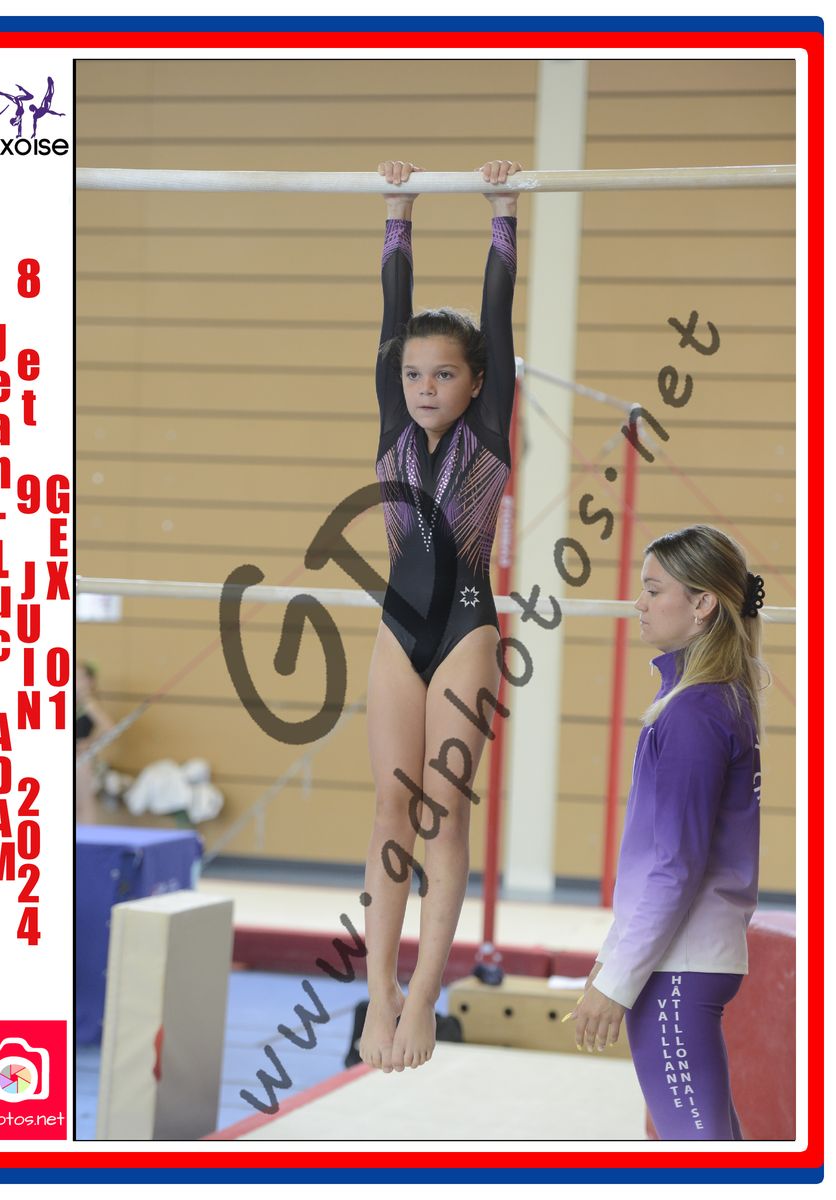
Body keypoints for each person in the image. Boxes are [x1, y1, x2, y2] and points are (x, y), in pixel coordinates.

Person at [360, 158, 521, 1073]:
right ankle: (379, 989)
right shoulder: (392, 414)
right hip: (396, 629)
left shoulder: (491, 427)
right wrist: (397, 211)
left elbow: (497, 313)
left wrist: (502, 212)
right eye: (414, 373)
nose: (423, 385)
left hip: (465, 630)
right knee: (391, 807)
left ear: (476, 382)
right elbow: (394, 318)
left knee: (442, 816)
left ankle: (423, 995)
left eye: (444, 374)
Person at [572, 524, 766, 1140]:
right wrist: (611, 957)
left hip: (676, 968)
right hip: (686, 959)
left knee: (698, 1162)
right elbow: (659, 864)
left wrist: (618, 980)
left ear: (703, 602)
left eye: (654, 590)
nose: (639, 603)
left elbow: (676, 867)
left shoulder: (695, 713)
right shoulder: (713, 700)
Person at [75, 661, 114, 825]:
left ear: (89, 681)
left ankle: (86, 835)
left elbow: (109, 727)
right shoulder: (76, 702)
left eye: (78, 677)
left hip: (82, 759)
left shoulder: (89, 703)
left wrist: (89, 743)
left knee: (84, 803)